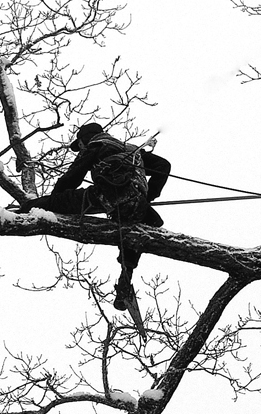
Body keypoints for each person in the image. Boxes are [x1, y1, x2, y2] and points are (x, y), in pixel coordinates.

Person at [18, 123, 171, 311]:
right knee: (132, 232)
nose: (79, 149)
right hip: (137, 202)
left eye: (79, 145)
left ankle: (10, 218)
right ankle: (126, 279)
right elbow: (163, 166)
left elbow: (72, 178)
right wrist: (148, 197)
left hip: (108, 194)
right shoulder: (131, 150)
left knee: (46, 203)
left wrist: (56, 200)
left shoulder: (97, 145)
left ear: (85, 140)